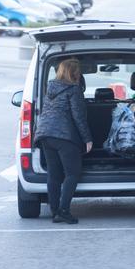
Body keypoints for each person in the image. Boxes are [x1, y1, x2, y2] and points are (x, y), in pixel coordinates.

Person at [34, 59, 92, 224]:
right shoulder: (73, 89)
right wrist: (87, 139)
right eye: (78, 71)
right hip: (64, 136)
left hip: (45, 134)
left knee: (54, 174)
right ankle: (64, 211)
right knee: (72, 174)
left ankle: (55, 211)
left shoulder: (50, 88)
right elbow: (78, 117)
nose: (79, 74)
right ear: (74, 73)